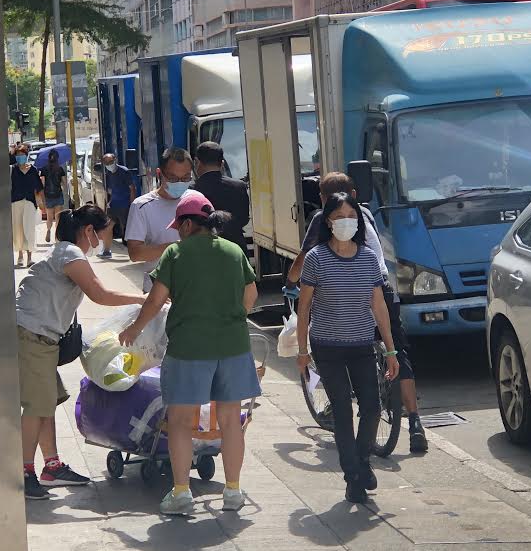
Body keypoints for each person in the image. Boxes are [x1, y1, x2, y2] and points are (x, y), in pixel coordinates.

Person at [119, 192, 259, 515]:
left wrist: (133, 331)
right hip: (234, 346)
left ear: (185, 224)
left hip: (189, 348)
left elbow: (155, 301)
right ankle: (233, 492)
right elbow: (250, 295)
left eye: (177, 226)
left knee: (180, 421)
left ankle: (182, 493)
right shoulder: (234, 251)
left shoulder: (175, 254)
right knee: (230, 421)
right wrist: (229, 319)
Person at [286, 172, 428, 452]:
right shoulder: (365, 214)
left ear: (323, 199)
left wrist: (291, 281)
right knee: (397, 352)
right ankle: (414, 423)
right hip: (384, 288)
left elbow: (303, 264)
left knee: (343, 345)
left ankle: (346, 407)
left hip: (360, 295)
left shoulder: (323, 219)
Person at [16, 204, 148, 500]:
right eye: (106, 233)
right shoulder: (70, 252)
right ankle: (24, 473)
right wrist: (142, 299)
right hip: (32, 335)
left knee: (45, 401)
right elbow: (100, 294)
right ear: (89, 231)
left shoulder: (65, 252)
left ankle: (51, 466)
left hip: (40, 335)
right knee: (37, 406)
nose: (107, 240)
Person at [295, 192, 399, 504]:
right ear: (327, 221)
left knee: (372, 407)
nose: (346, 222)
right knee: (342, 410)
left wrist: (391, 351)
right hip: (327, 346)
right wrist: (302, 352)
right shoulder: (316, 259)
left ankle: (363, 461)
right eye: (339, 217)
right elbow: (304, 309)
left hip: (362, 344)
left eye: (350, 216)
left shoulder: (368, 258)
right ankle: (352, 475)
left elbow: (378, 307)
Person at [125, 147, 195, 292]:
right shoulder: (141, 206)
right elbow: (135, 254)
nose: (180, 183)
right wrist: (175, 247)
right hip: (158, 291)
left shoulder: (197, 200)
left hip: (194, 289)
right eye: (173, 178)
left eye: (186, 178)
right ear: (159, 174)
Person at [192, 141, 250, 249]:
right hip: (236, 246)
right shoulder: (239, 186)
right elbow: (244, 219)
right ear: (222, 163)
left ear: (197, 162)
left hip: (205, 248)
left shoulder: (193, 190)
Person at [11, 143, 44, 267]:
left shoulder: (33, 170)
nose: (20, 157)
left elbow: (39, 189)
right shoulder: (12, 170)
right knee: (18, 229)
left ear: (26, 155)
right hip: (15, 203)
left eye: (22, 155)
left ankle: (29, 257)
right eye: (18, 155)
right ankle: (20, 256)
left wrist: (42, 203)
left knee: (29, 229)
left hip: (30, 202)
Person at [99, 152, 137, 259]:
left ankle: (133, 251)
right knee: (107, 227)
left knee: (126, 229)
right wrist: (109, 202)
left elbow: (132, 188)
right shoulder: (108, 173)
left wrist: (132, 204)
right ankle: (106, 251)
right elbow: (112, 189)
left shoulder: (124, 171)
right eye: (106, 162)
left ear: (115, 160)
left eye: (110, 162)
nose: (108, 164)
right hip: (114, 206)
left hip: (124, 205)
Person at [40, 149, 68, 244]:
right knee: (58, 217)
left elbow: (42, 184)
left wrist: (42, 196)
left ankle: (48, 230)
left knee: (49, 217)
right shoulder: (60, 169)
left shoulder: (44, 169)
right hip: (58, 195)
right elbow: (65, 183)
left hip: (48, 196)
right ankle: (57, 236)